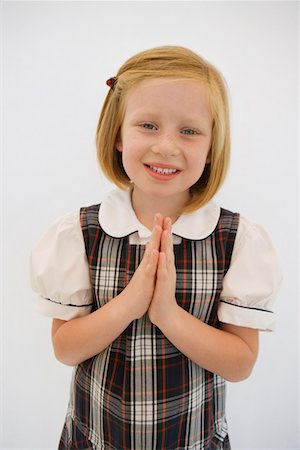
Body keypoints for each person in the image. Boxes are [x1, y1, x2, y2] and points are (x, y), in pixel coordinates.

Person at [30, 46, 281, 450]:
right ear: (117, 134)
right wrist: (129, 304)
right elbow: (64, 348)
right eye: (148, 125)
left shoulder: (236, 240)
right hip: (94, 439)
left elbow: (240, 363)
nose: (166, 146)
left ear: (212, 145)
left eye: (189, 130)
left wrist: (167, 314)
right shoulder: (80, 233)